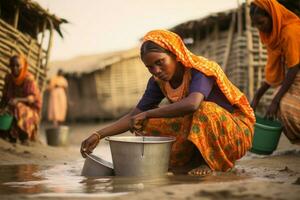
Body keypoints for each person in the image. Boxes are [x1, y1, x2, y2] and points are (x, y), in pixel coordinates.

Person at [80, 30, 255, 175]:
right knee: (144, 122)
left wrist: (149, 112)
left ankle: (210, 163)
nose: (156, 71)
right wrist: (98, 134)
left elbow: (192, 104)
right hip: (204, 128)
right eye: (150, 67)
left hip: (236, 133)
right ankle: (185, 162)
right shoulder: (158, 81)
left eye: (160, 62)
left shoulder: (201, 70)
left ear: (175, 55)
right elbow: (134, 115)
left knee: (203, 109)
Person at [250, 0, 300, 144]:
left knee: (283, 106)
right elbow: (273, 71)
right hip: (295, 80)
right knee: (279, 103)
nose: (260, 29)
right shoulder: (275, 36)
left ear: (273, 16)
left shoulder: (290, 32)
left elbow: (294, 66)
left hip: (296, 76)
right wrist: (257, 97)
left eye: (261, 22)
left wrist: (275, 100)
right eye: (256, 25)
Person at [0, 54, 42, 143]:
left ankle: (24, 136)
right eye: (12, 65)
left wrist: (17, 100)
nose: (14, 68)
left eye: (17, 65)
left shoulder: (28, 79)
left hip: (31, 111)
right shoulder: (9, 78)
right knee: (5, 110)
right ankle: (8, 134)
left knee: (18, 106)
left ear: (23, 66)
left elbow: (32, 98)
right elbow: (4, 97)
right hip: (13, 106)